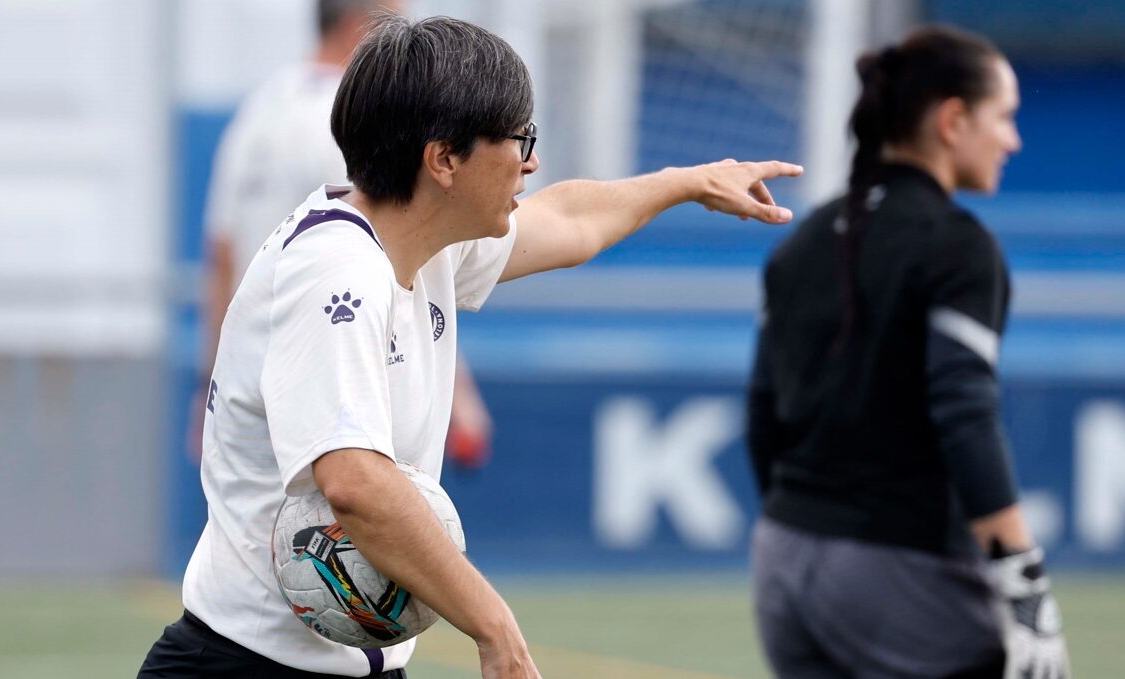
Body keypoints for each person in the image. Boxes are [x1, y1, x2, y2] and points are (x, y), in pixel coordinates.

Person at [141, 13, 802, 679]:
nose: (531, 160)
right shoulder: (336, 271)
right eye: (520, 138)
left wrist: (691, 181)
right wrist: (492, 624)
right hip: (243, 665)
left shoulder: (422, 243)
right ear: (444, 159)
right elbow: (354, 483)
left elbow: (569, 220)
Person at [746, 26, 1069, 679]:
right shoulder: (956, 244)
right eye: (1003, 117)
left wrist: (803, 523)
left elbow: (762, 411)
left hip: (782, 561)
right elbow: (964, 411)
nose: (1013, 139)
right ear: (952, 120)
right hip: (895, 570)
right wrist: (1025, 584)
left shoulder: (803, 238)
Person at [200, 0, 492, 469]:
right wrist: (461, 398)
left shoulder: (260, 110)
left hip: (253, 387)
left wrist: (208, 385)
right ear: (364, 27)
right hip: (334, 376)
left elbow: (222, 254)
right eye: (399, 27)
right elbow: (400, 247)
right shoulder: (353, 122)